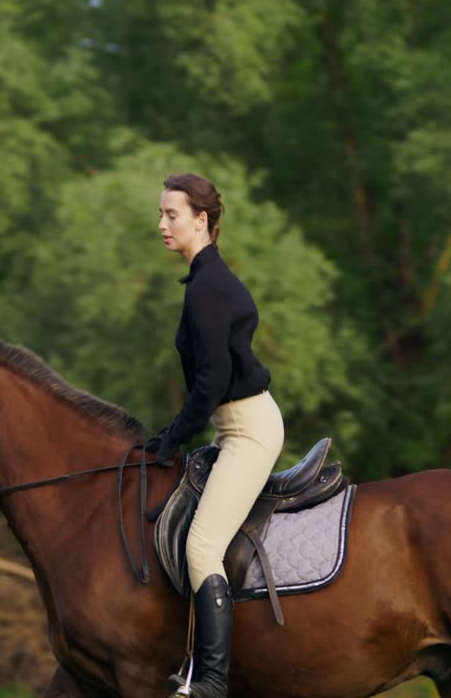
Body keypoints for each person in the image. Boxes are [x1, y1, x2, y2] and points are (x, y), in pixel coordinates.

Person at [151, 173, 284, 698]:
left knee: (203, 546)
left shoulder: (208, 287)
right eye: (160, 214)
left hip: (249, 432)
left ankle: (211, 682)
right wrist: (170, 432)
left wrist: (174, 437)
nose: (161, 224)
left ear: (201, 221)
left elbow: (211, 383)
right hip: (234, 426)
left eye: (171, 215)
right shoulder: (205, 280)